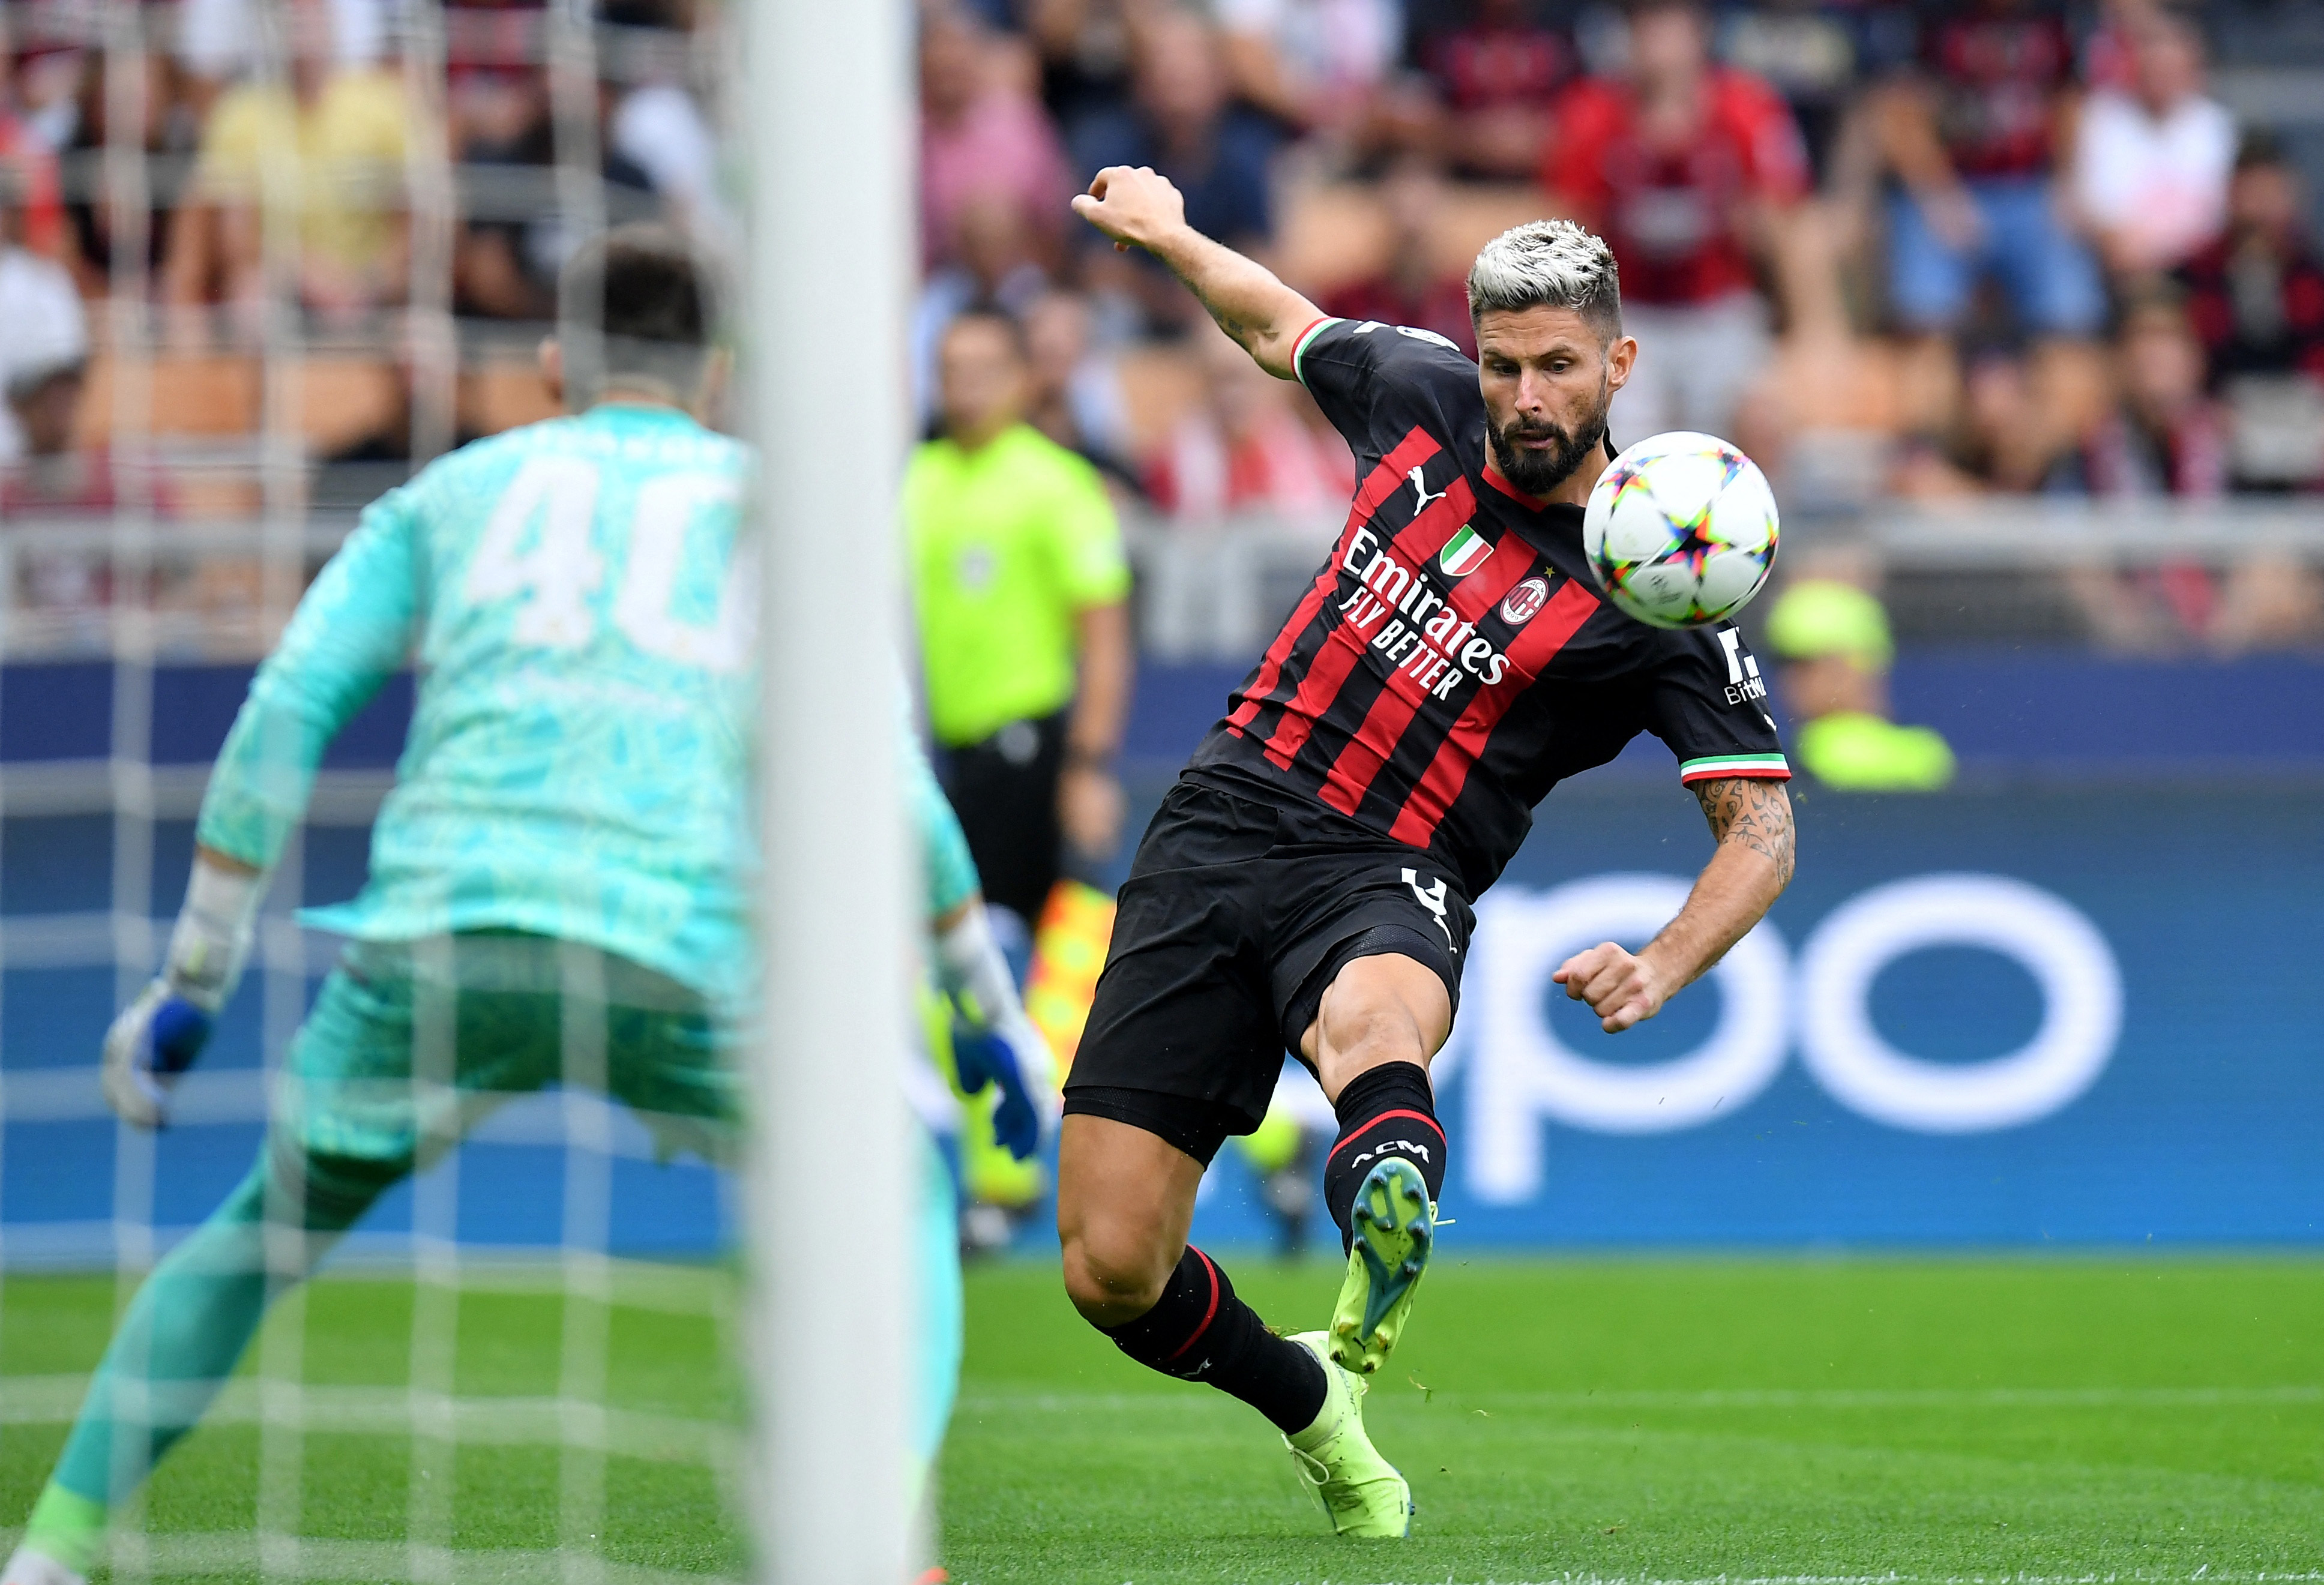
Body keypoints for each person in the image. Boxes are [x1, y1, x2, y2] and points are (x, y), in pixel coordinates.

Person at [0, 225, 1051, 1585]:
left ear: (553, 361)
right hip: (681, 952)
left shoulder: (449, 494)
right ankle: (882, 1555)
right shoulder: (774, 514)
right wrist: (989, 1011)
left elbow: (287, 705)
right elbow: (885, 777)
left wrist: (193, 982)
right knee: (907, 1182)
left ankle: (52, 1556)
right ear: (718, 373)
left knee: (258, 1231)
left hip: (440, 937)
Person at [1063, 168, 1795, 1537]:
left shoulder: (1659, 581)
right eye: (1508, 362)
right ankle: (1311, 1401)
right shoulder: (1416, 394)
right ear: (1476, 346)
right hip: (1222, 815)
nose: (1527, 395)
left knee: (1372, 1020)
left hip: (1392, 870)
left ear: (1618, 363)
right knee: (1109, 1267)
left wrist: (1666, 962)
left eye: (1560, 368)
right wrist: (1167, 236)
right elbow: (1274, 323)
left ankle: (1388, 1184)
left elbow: (1761, 825)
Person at [904, 308, 1134, 937]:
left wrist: (1088, 767)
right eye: (951, 371)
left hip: (1027, 752)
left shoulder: (1058, 485)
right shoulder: (914, 483)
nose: (966, 387)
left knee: (1037, 946)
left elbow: (1105, 638)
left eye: (985, 370)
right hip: (937, 756)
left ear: (1021, 378)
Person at [1544, 0, 1811, 442]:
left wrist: (1807, 335)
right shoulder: (1591, 114)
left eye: (1670, 25)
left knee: (1760, 417)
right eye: (1646, 26)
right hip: (1629, 310)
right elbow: (1567, 235)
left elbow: (1785, 229)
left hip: (1720, 306)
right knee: (1610, 428)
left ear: (1699, 33)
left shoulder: (1747, 109)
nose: (1659, 43)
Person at [2070, 5, 2235, 283]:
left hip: (2199, 267)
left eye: (2171, 69)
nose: (2161, 79)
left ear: (2193, 71)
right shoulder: (2102, 117)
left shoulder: (2216, 126)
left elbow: (2215, 216)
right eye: (2153, 68)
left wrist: (2167, 252)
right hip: (2119, 264)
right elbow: (2093, 210)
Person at [1765, 578, 1954, 792]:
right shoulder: (1925, 753)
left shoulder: (1923, 754)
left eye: (1809, 664)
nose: (1791, 681)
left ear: (1860, 665)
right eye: (1784, 666)